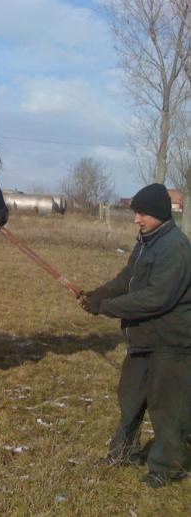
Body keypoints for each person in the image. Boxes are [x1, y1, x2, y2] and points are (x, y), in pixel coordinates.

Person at [79, 183, 191, 488]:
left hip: (170, 343)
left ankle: (168, 467)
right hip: (143, 338)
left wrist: (108, 307)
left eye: (142, 213)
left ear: (159, 214)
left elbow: (157, 298)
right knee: (130, 399)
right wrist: (98, 294)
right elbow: (128, 278)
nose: (136, 219)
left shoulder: (176, 248)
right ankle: (122, 453)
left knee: (166, 407)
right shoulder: (146, 241)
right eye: (135, 213)